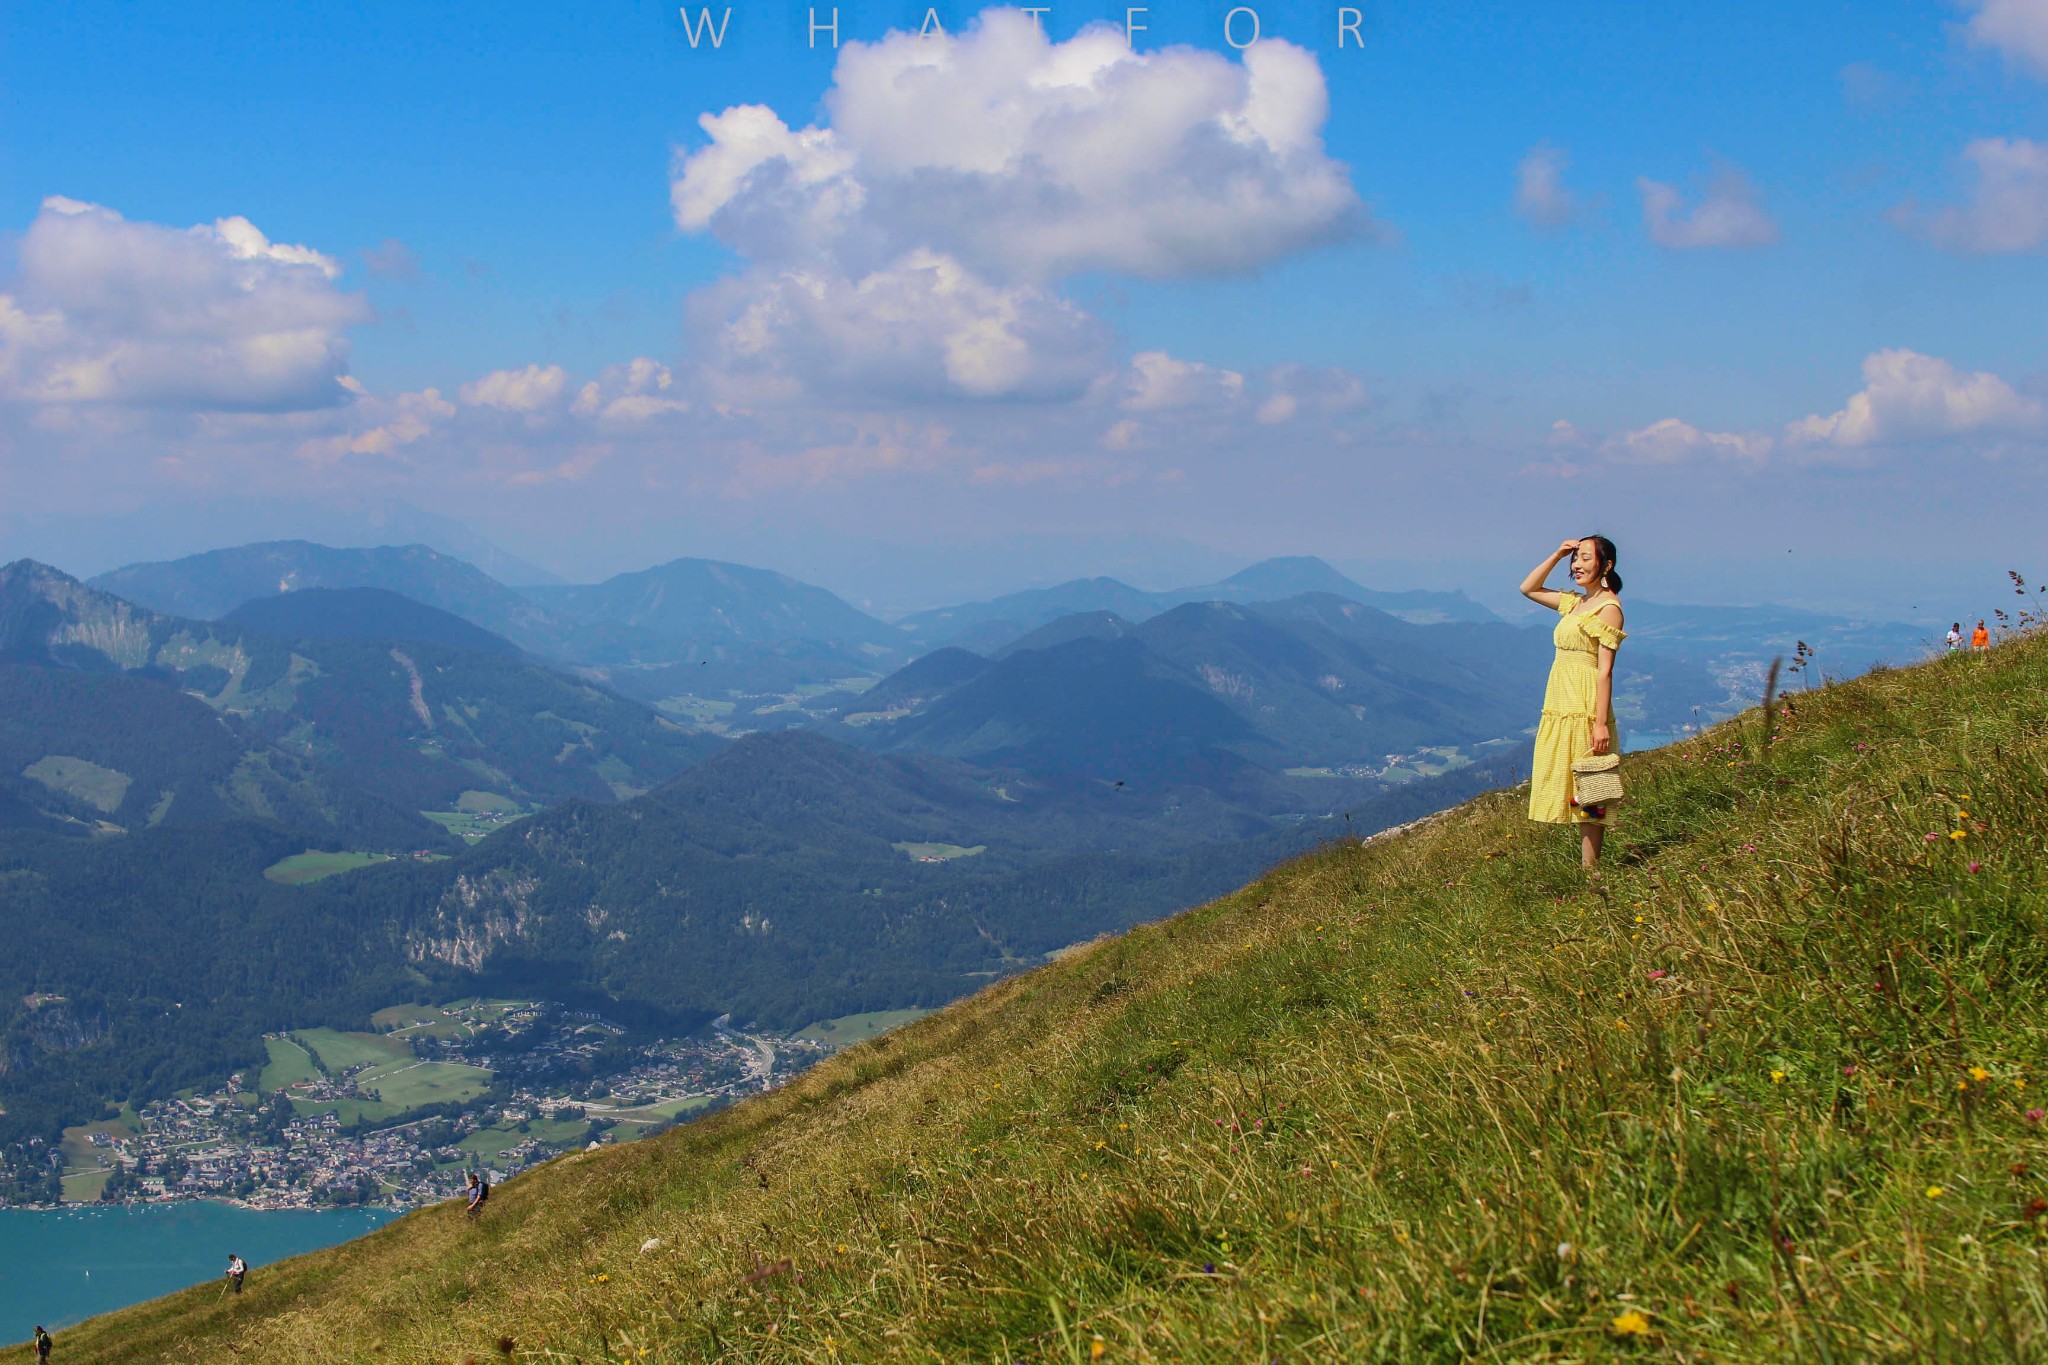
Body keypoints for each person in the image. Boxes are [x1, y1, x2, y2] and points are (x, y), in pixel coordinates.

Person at [1520, 536, 1627, 869]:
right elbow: (1529, 588)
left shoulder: (1608, 609)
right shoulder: (1577, 603)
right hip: (1561, 701)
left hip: (1583, 705)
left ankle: (1591, 871)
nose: (1577, 565)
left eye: (1585, 558)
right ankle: (1588, 869)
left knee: (1590, 788)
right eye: (1575, 559)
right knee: (1574, 785)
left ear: (1606, 566)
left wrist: (1599, 724)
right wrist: (1556, 553)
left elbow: (1605, 672)